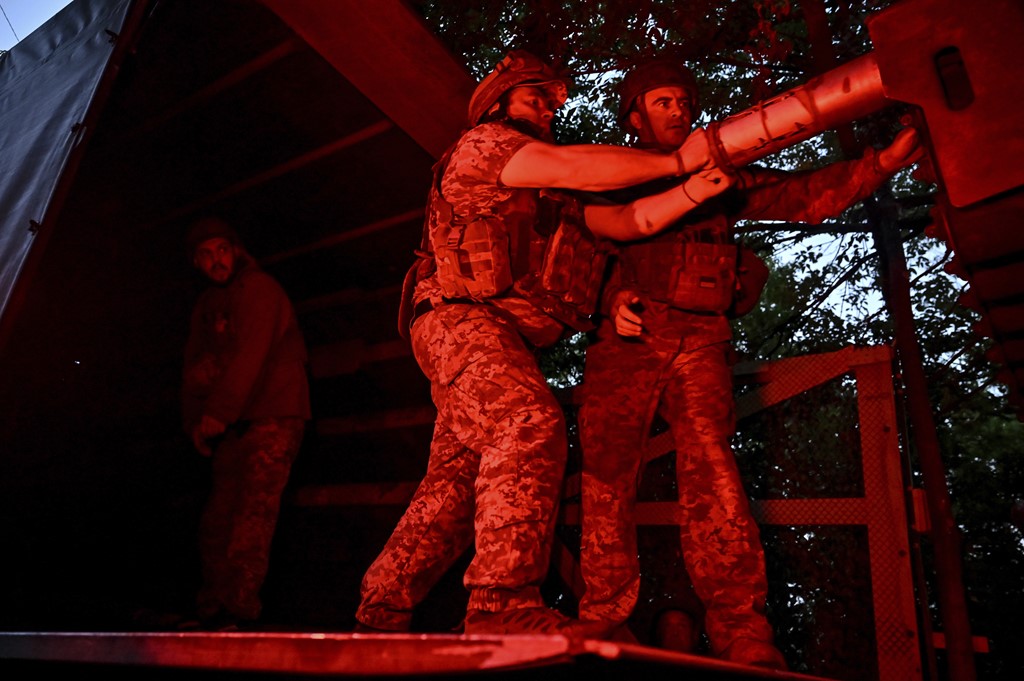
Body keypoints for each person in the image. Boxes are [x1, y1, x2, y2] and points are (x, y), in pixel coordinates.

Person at [354, 49, 734, 639]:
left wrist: (691, 188)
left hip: (497, 337)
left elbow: (626, 221)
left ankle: (381, 608)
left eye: (555, 103)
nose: (552, 110)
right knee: (528, 421)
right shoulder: (485, 146)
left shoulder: (548, 194)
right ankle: (500, 603)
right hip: (461, 321)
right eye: (539, 98)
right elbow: (577, 167)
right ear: (499, 101)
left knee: (456, 482)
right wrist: (675, 159)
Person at [575, 58, 923, 668]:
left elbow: (797, 194)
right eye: (662, 101)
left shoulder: (720, 173)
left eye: (683, 100)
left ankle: (743, 632)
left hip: (701, 338)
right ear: (634, 114)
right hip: (626, 345)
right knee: (607, 481)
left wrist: (879, 167)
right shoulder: (612, 175)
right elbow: (577, 253)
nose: (678, 109)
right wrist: (611, 299)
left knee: (715, 475)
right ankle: (601, 622)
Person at [180, 215, 311, 630]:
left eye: (221, 249)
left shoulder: (259, 289)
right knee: (216, 521)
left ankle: (238, 614)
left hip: (273, 413)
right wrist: (194, 422)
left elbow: (251, 355)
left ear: (235, 250)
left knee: (252, 517)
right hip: (234, 422)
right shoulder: (207, 307)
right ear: (196, 263)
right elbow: (194, 368)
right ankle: (212, 610)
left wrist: (217, 413)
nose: (215, 259)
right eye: (205, 254)